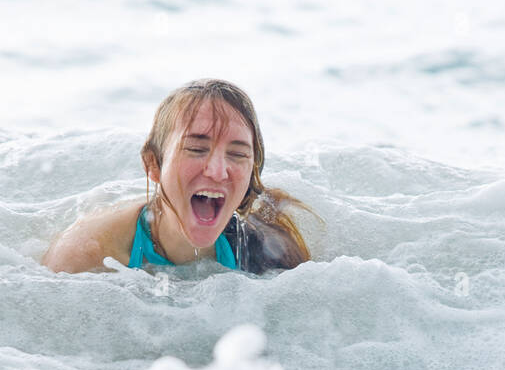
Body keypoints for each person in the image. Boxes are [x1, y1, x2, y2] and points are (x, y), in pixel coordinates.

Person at [42, 79, 314, 275]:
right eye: (196, 149)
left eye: (238, 155)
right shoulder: (87, 256)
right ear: (153, 164)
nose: (218, 172)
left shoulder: (267, 251)